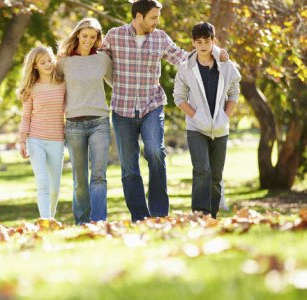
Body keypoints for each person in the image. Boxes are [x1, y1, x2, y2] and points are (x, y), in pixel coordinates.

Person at [100, 0, 227, 221]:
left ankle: (159, 214)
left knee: (155, 152)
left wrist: (215, 53)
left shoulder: (160, 38)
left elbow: (183, 58)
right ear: (138, 16)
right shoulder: (114, 35)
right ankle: (140, 216)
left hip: (152, 105)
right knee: (129, 166)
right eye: (153, 17)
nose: (157, 22)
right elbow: (97, 61)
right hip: (122, 109)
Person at [173, 21, 241, 218]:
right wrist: (196, 116)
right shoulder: (186, 68)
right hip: (196, 129)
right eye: (199, 41)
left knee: (216, 176)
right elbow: (179, 98)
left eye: (207, 41)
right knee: (202, 170)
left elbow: (234, 92)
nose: (203, 45)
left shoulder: (225, 65)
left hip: (220, 129)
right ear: (193, 42)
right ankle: (199, 213)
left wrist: (224, 116)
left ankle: (212, 215)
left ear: (213, 41)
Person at [57, 18, 112, 224]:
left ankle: (98, 221)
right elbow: (54, 88)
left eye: (93, 36)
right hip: (74, 125)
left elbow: (119, 83)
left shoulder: (103, 60)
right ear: (77, 35)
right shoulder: (64, 62)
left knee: (98, 176)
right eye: (85, 35)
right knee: (79, 180)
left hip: (99, 122)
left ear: (98, 38)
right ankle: (82, 222)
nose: (88, 40)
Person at [17, 46, 66, 219]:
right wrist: (22, 141)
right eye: (42, 62)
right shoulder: (31, 88)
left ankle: (50, 218)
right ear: (35, 66)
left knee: (55, 187)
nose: (47, 64)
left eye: (49, 60)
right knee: (43, 182)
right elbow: (25, 117)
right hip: (35, 139)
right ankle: (45, 220)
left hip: (57, 140)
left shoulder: (63, 84)